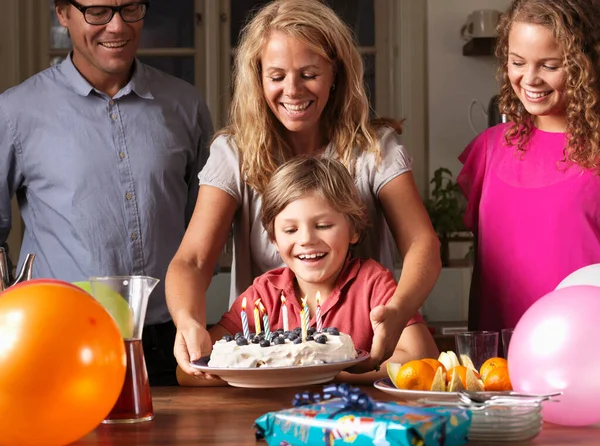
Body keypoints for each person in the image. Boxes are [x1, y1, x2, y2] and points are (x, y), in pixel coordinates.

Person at [167, 0, 441, 377]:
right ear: (258, 78)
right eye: (276, 76)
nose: (292, 90)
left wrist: (397, 312)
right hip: (264, 354)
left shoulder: (376, 149)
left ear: (335, 75)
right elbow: (193, 260)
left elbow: (421, 245)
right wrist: (188, 322)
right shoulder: (234, 153)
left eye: (309, 73)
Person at [0, 0, 214, 385]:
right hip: (59, 342)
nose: (117, 27)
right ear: (63, 13)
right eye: (98, 11)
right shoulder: (15, 112)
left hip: (171, 345)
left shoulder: (187, 105)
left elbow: (200, 235)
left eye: (129, 8)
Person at [177, 156, 439, 386]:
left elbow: (422, 356)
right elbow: (189, 371)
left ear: (354, 230)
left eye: (323, 225)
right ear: (274, 240)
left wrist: (331, 374)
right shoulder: (264, 295)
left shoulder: (372, 283)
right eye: (290, 230)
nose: (306, 239)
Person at [458, 0, 600, 332]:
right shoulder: (489, 148)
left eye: (550, 65)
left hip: (585, 351)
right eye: (517, 62)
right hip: (497, 361)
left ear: (587, 64)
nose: (530, 79)